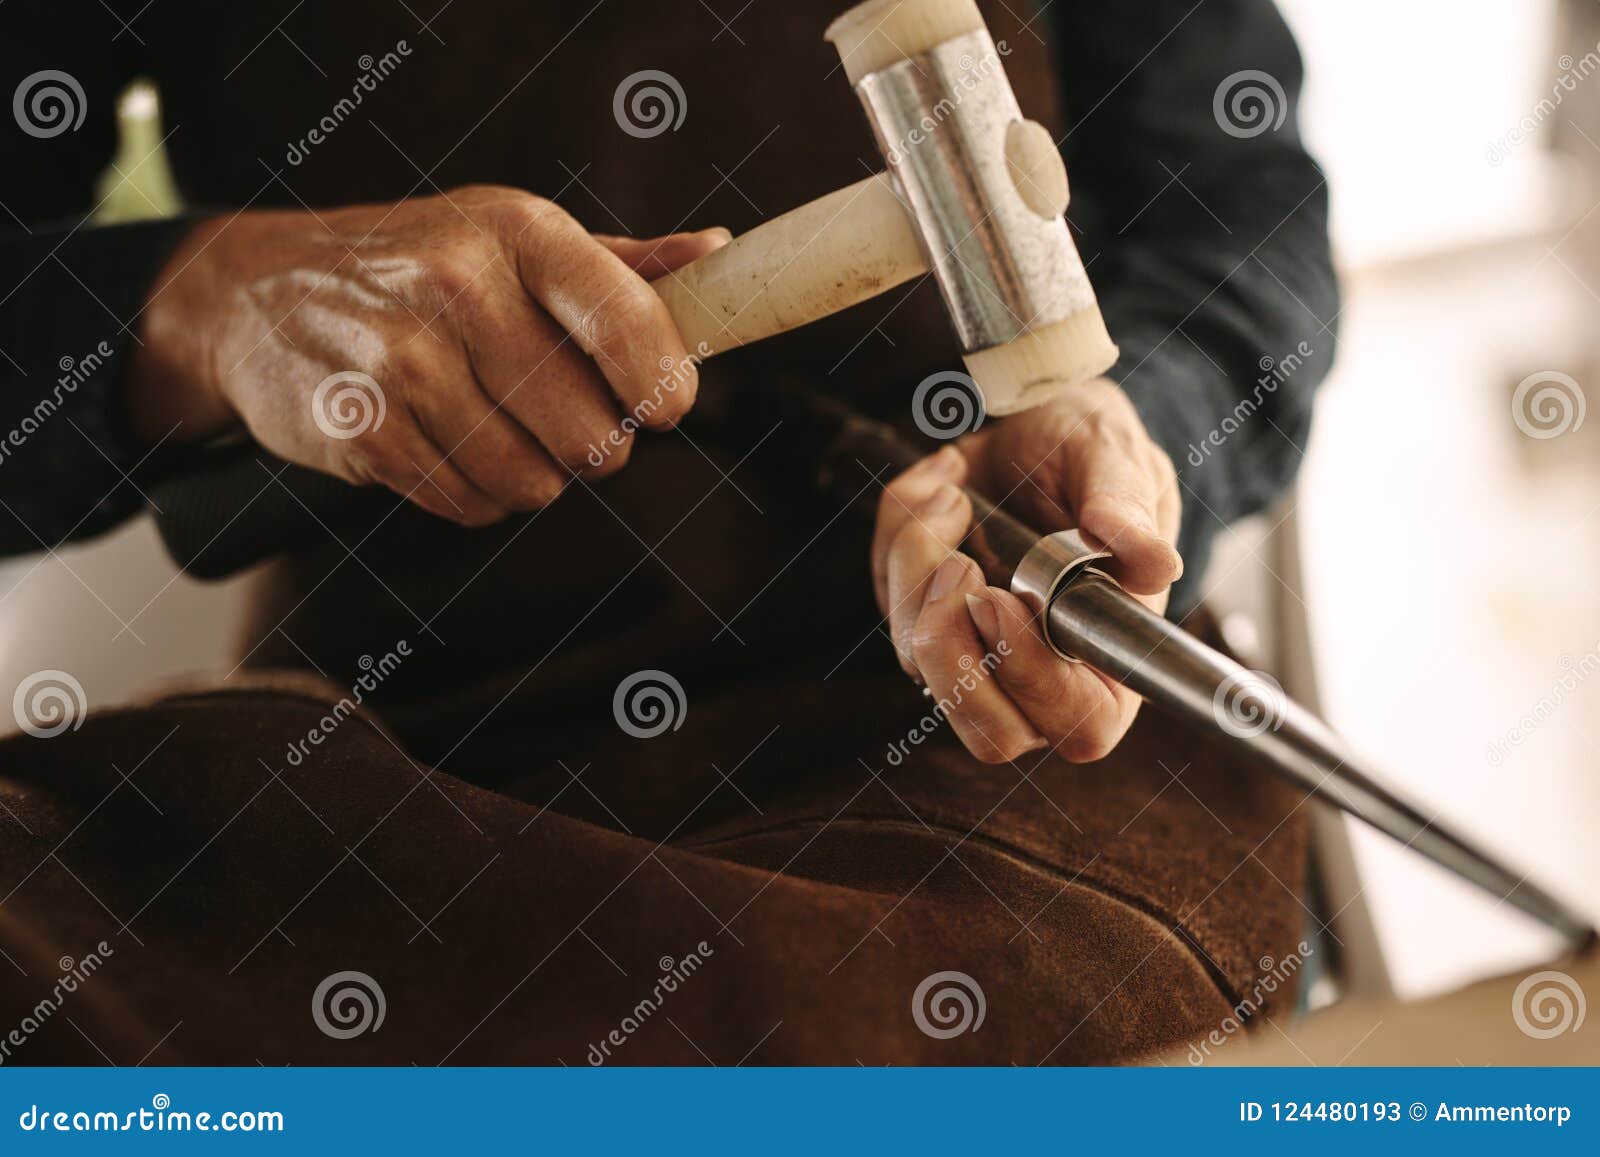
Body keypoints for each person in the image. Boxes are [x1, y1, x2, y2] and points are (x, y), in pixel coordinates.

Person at [0, 0, 1336, 1064]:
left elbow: (1240, 213)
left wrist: (1132, 422)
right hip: (390, 747)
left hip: (958, 736)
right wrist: (197, 303)